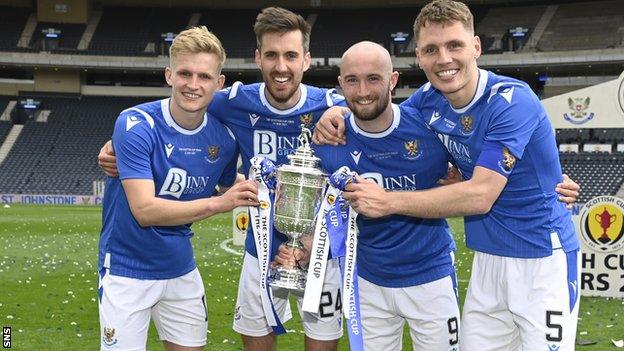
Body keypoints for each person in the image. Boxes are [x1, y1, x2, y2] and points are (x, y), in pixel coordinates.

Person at [313, 1, 581, 350]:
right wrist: (334, 112)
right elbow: (378, 114)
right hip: (488, 258)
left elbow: (481, 195)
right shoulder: (428, 100)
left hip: (542, 258)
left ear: (476, 47)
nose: (443, 59)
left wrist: (387, 201)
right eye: (430, 50)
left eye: (454, 45)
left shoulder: (513, 100)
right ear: (419, 58)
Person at [98, 7, 345, 351]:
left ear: (306, 60)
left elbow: (374, 111)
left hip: (322, 250)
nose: (281, 66)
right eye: (271, 55)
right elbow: (178, 109)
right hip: (259, 249)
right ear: (258, 58)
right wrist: (117, 142)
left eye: (290, 55)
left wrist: (342, 111)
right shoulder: (232, 103)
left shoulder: (331, 107)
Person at [278, 41, 462, 350]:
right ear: (341, 85)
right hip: (366, 282)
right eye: (352, 80)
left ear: (393, 80)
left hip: (430, 277)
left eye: (373, 78)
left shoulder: (430, 131)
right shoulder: (328, 143)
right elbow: (326, 213)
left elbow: (477, 176)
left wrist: (555, 183)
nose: (362, 90)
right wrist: (304, 247)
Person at [98, 26, 259, 351]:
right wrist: (220, 204)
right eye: (185, 73)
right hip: (128, 271)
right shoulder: (135, 124)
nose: (193, 84)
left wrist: (269, 191)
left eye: (204, 76)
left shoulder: (224, 140)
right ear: (169, 74)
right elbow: (145, 211)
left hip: (181, 268)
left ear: (219, 83)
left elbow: (232, 186)